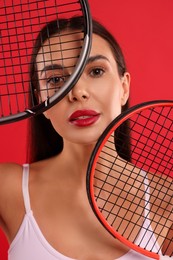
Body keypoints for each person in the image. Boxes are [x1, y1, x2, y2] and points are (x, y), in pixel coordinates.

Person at [0, 16, 171, 260]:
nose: (77, 92)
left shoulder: (167, 199)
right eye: (56, 79)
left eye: (96, 71)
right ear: (41, 102)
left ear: (124, 87)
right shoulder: (7, 188)